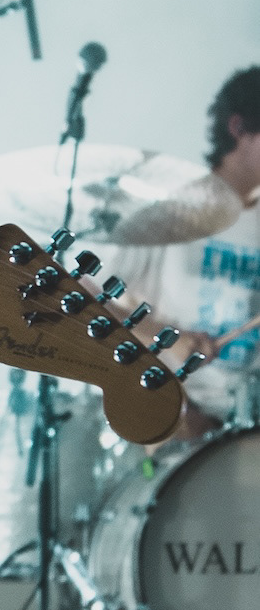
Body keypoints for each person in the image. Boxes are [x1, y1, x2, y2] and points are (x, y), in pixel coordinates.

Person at [105, 65, 260, 436]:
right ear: (238, 128)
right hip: (175, 413)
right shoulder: (170, 210)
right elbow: (91, 299)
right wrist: (170, 337)